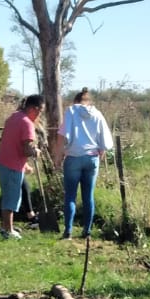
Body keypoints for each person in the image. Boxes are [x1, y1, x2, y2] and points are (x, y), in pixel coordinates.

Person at [54, 88, 113, 239]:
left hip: (73, 157)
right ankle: (87, 231)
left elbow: (62, 136)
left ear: (76, 101)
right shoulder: (97, 114)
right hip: (92, 158)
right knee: (88, 197)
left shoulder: (71, 111)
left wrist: (58, 159)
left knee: (70, 196)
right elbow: (104, 140)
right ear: (89, 102)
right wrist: (100, 155)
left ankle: (68, 231)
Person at [0, 95, 43, 239]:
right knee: (12, 199)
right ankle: (8, 231)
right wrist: (36, 152)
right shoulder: (27, 123)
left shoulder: (14, 117)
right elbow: (26, 149)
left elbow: (11, 143)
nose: (40, 114)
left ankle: (5, 227)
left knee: (8, 196)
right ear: (34, 109)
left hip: (3, 163)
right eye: (41, 110)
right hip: (12, 165)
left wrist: (25, 164)